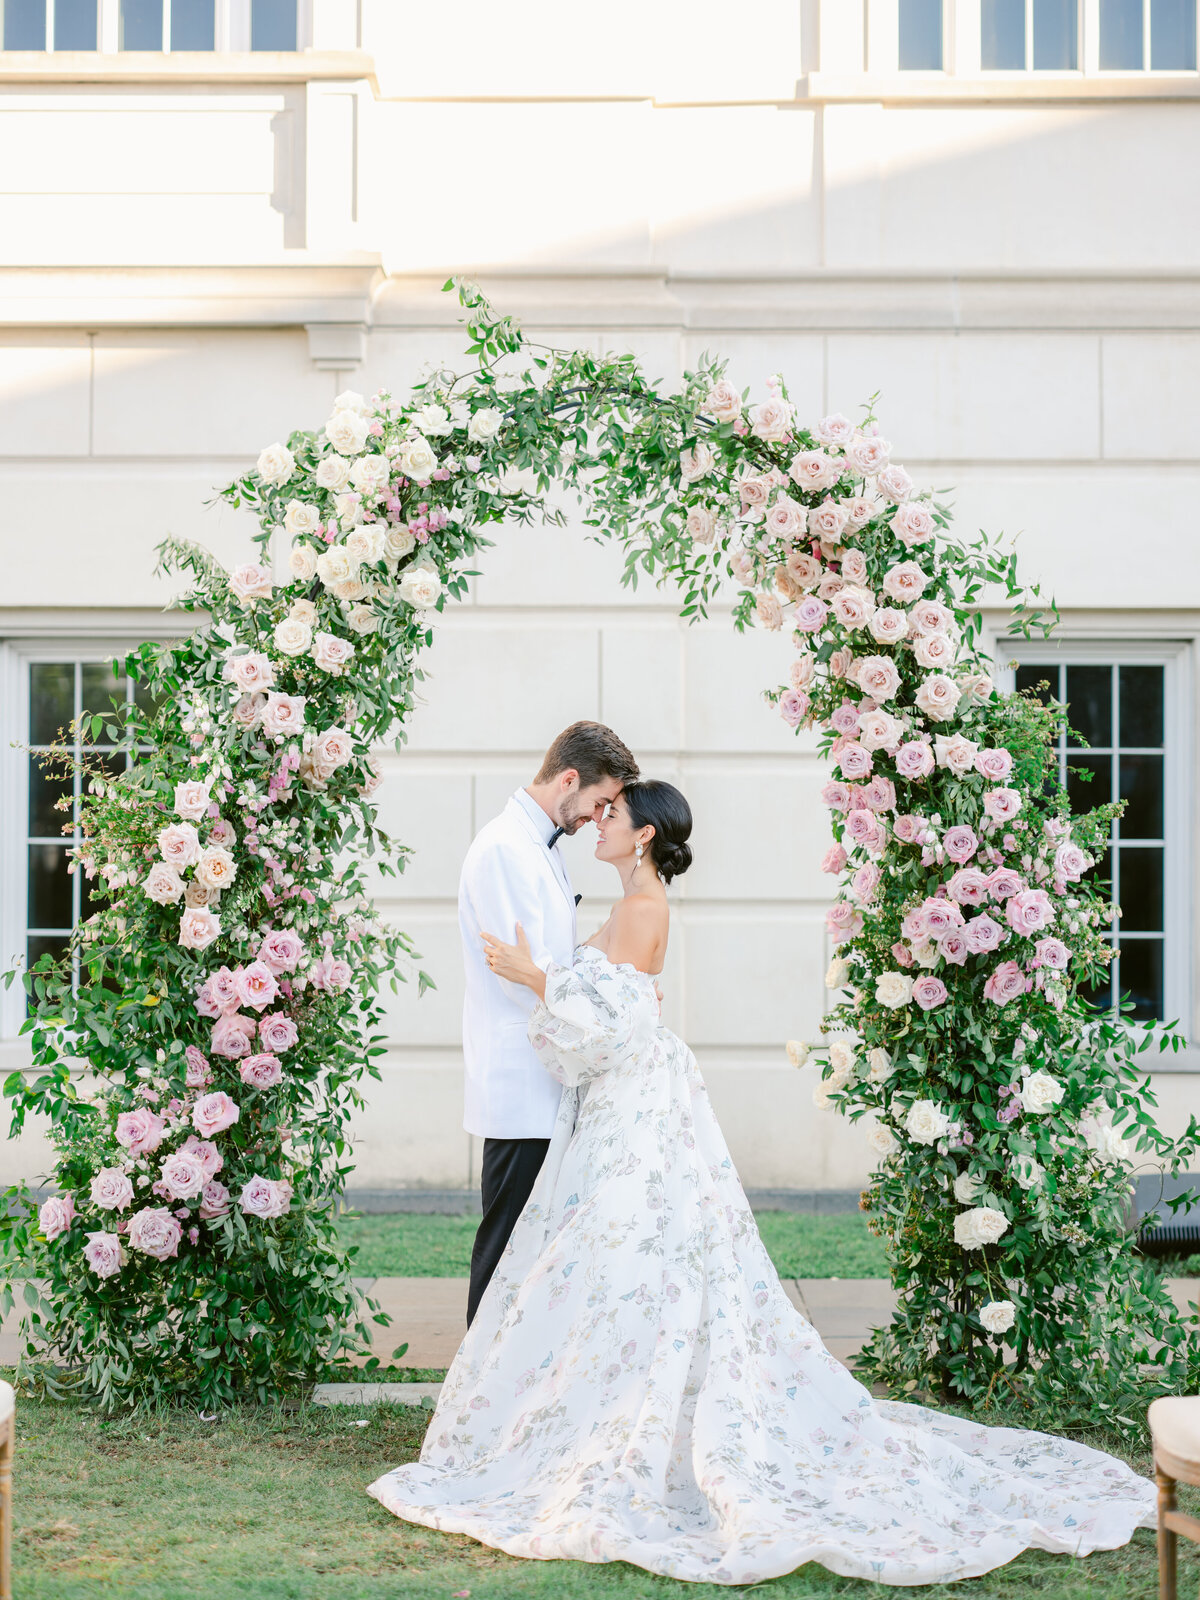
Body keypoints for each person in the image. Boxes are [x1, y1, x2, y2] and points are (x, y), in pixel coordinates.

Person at [369, 780, 1155, 1587]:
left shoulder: (643, 910)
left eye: (610, 814)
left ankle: (626, 1419)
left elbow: (614, 1025)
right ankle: (599, 1406)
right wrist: (555, 979)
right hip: (618, 1105)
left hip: (635, 1105)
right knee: (612, 1259)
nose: (596, 823)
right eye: (598, 811)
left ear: (641, 836)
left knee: (629, 1253)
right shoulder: (630, 905)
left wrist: (537, 978)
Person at [457, 721, 639, 1326]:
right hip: (522, 1078)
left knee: (533, 1254)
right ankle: (477, 1397)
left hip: (549, 1076)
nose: (596, 817)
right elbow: (522, 974)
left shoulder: (536, 847)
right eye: (596, 802)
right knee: (506, 1245)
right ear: (568, 779)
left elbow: (551, 963)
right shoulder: (506, 849)